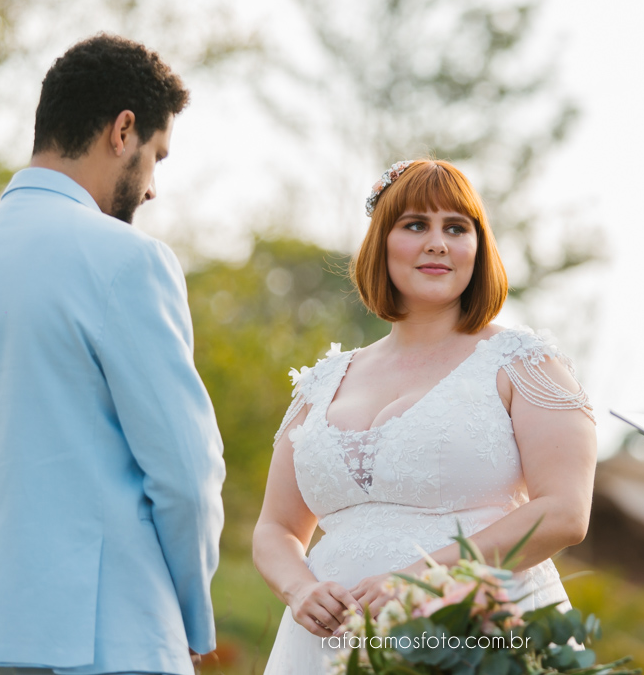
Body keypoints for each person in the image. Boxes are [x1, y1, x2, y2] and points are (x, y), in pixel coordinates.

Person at [0, 34, 226, 675]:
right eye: (156, 158)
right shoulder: (128, 261)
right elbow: (187, 478)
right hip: (108, 641)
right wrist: (190, 617)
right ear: (123, 131)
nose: (152, 189)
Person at [252, 159, 597, 672]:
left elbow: (565, 513)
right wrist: (299, 589)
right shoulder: (322, 383)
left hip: (478, 634)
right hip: (329, 646)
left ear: (477, 250)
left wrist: (421, 579)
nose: (438, 242)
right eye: (416, 224)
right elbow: (276, 527)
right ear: (381, 244)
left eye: (456, 228)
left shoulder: (521, 363)